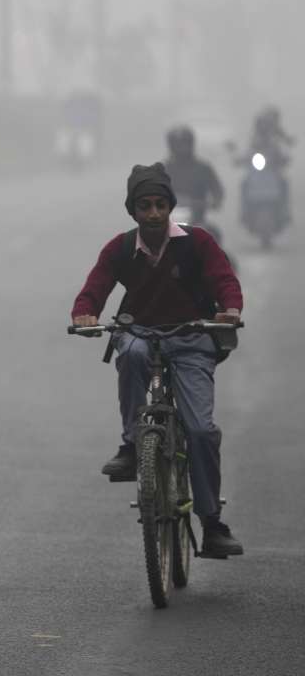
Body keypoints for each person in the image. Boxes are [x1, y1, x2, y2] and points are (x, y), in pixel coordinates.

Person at [70, 163, 245, 557]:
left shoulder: (197, 242)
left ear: (170, 207)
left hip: (192, 337)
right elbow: (94, 289)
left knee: (200, 432)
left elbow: (225, 281)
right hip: (141, 334)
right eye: (145, 206)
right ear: (132, 210)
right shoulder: (120, 248)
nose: (153, 213)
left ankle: (212, 523)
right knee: (128, 352)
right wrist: (84, 312)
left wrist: (230, 308)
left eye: (160, 205)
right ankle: (133, 445)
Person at [163, 125, 224, 223]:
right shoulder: (163, 170)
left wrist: (216, 200)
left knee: (214, 234)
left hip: (198, 219)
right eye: (178, 145)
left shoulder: (203, 168)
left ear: (191, 144)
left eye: (185, 144)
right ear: (171, 146)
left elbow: (216, 188)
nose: (182, 148)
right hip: (168, 220)